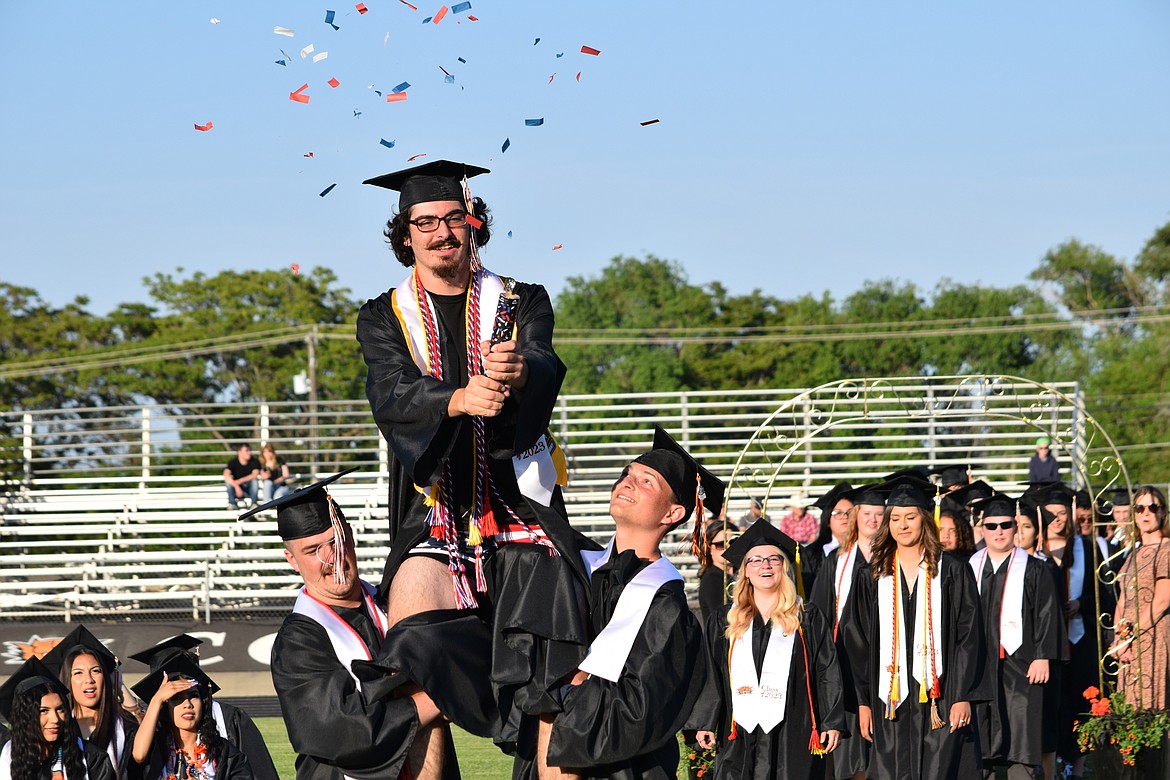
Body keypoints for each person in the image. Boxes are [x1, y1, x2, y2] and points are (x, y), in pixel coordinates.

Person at [356, 159, 591, 752]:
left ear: (473, 224)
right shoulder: (382, 317)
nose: (441, 232)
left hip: (520, 512)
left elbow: (541, 361)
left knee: (550, 682)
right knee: (412, 662)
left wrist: (519, 372)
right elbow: (391, 393)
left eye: (453, 218)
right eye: (425, 221)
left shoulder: (521, 300)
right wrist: (457, 399)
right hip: (432, 514)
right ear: (405, 235)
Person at [245, 470, 485, 780]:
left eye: (336, 540)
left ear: (351, 536)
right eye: (312, 550)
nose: (331, 557)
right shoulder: (298, 642)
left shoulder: (396, 603)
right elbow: (341, 730)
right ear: (292, 560)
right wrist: (435, 700)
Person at [513, 426, 713, 779]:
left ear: (673, 514)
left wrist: (561, 689)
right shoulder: (576, 564)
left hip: (622, 768)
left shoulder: (667, 605)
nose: (627, 482)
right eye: (626, 474)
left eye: (647, 481)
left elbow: (638, 711)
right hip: (547, 754)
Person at [844, 476, 989, 780]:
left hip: (941, 694)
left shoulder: (951, 571)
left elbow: (969, 636)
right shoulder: (871, 574)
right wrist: (863, 702)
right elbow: (856, 641)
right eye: (895, 518)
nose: (903, 525)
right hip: (890, 697)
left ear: (925, 520)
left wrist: (962, 694)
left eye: (910, 517)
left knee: (939, 769)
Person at [692, 521, 844, 779]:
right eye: (756, 560)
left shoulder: (807, 617)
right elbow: (710, 672)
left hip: (793, 728)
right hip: (739, 729)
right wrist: (706, 720)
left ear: (784, 568)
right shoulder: (724, 619)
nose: (765, 565)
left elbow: (826, 670)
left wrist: (830, 720)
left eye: (774, 559)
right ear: (745, 572)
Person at [967, 492, 1065, 780]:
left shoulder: (1035, 568)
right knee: (979, 739)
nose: (999, 531)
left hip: (1021, 667)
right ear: (982, 528)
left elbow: (1048, 613)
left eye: (1006, 525)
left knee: (1021, 735)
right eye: (991, 526)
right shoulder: (968, 567)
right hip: (978, 669)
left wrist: (1043, 656)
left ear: (1015, 528)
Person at [1026, 481, 1115, 780]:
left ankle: (1076, 767)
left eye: (1062, 512)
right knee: (1051, 704)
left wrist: (1082, 603)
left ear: (1071, 514)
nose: (1057, 518)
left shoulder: (1088, 549)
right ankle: (1046, 764)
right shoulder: (1033, 552)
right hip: (1044, 646)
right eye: (1051, 512)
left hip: (1080, 639)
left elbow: (1106, 592)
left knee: (1081, 701)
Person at [809, 482, 884, 780]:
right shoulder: (837, 560)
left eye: (880, 514)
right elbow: (819, 613)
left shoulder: (893, 560)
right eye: (866, 513)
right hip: (845, 663)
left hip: (887, 662)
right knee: (851, 754)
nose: (873, 520)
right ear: (857, 517)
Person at [128, 635, 279, 780]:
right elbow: (139, 756)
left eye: (193, 695)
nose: (187, 704)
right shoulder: (155, 746)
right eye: (176, 698)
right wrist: (157, 699)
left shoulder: (224, 749)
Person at [41, 625, 139, 778]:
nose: (89, 680)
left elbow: (145, 746)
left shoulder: (124, 728)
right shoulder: (54, 729)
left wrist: (118, 685)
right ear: (68, 681)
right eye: (78, 673)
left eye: (96, 671)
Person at [0, 656, 115, 780]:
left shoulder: (92, 757)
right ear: (25, 717)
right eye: (43, 711)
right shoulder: (6, 755)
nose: (55, 719)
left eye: (60, 709)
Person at [1111, 485, 1170, 711]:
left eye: (1152, 507)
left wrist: (1128, 636)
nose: (1146, 513)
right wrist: (1118, 638)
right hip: (1128, 644)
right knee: (1129, 708)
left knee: (1151, 707)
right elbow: (1123, 601)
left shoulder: (1166, 550)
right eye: (1140, 508)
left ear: (1163, 512)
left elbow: (1162, 602)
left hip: (1152, 637)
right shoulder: (1134, 553)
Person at [698, 520, 736, 625]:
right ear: (709, 548)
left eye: (733, 543)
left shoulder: (740, 574)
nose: (728, 548)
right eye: (721, 545)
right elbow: (723, 620)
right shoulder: (712, 578)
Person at [223, 443, 260, 510]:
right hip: (237, 491)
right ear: (239, 452)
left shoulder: (254, 461)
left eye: (249, 450)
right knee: (228, 482)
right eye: (247, 450)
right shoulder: (233, 463)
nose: (249, 452)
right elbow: (226, 474)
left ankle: (254, 504)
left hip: (249, 490)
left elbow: (255, 474)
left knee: (254, 481)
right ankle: (232, 504)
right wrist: (236, 486)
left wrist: (239, 481)